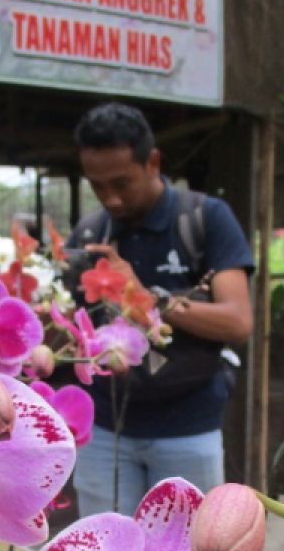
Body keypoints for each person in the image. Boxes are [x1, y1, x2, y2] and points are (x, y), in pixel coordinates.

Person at [66, 102, 254, 516]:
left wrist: (143, 295)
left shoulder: (204, 218)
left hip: (187, 425)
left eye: (122, 183)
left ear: (153, 162)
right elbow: (77, 331)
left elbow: (238, 321)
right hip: (105, 428)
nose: (111, 198)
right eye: (97, 186)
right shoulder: (91, 232)